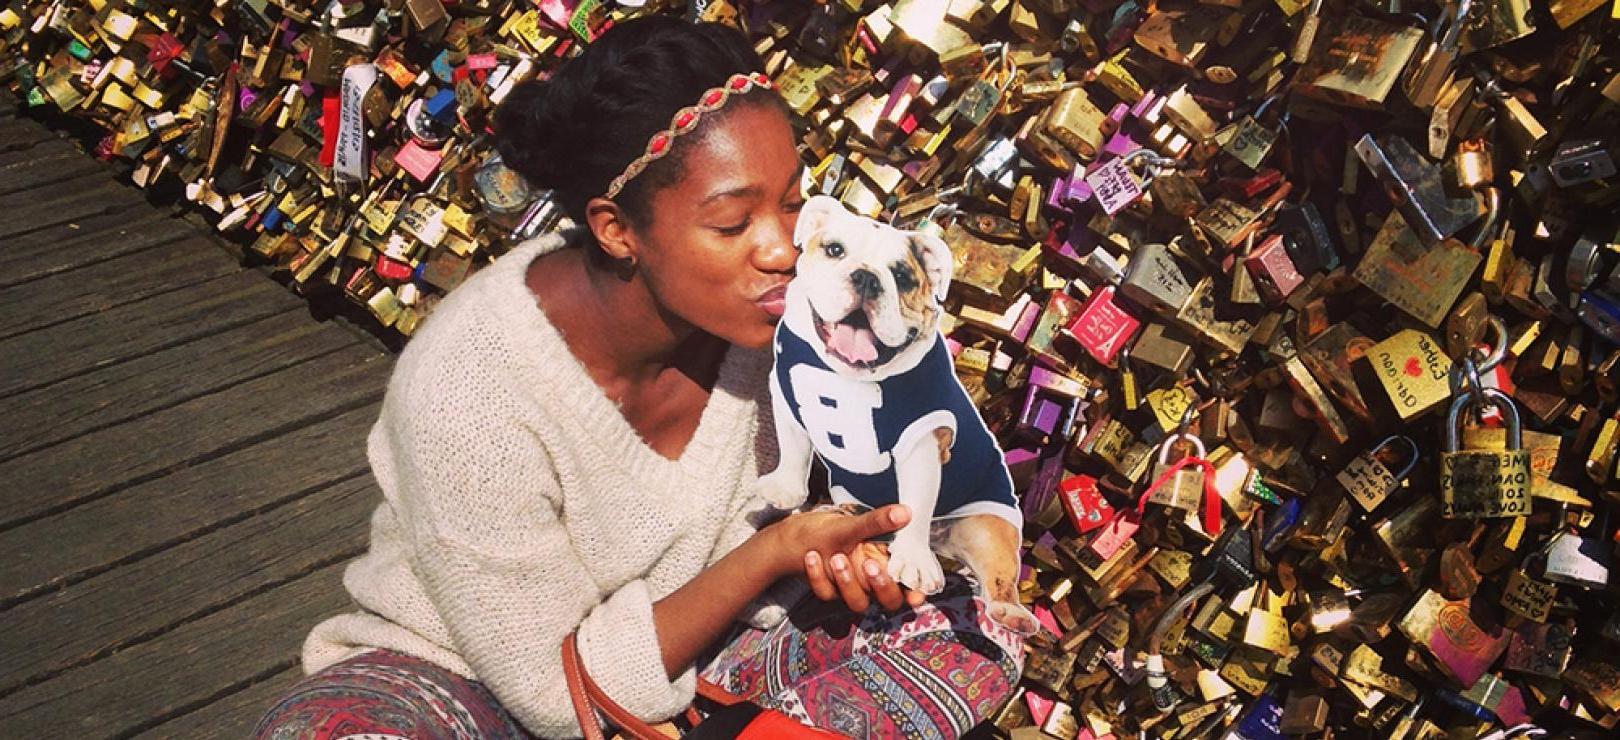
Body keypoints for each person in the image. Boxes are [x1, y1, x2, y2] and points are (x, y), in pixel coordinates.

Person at [253, 16, 1024, 740]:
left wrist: (846, 549)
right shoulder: (468, 391)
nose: (782, 250)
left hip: (711, 648)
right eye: (732, 224)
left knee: (977, 632)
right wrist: (778, 549)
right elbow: (560, 698)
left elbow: (845, 488)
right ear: (617, 230)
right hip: (470, 678)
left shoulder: (797, 325)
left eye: (792, 206)